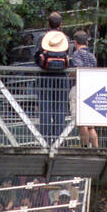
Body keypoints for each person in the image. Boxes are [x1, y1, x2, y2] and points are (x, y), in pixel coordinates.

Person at [34, 12, 70, 144]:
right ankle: (59, 139)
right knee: (60, 107)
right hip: (61, 77)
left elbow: (36, 57)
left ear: (48, 23)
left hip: (44, 76)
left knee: (45, 107)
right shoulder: (65, 37)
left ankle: (45, 139)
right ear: (61, 24)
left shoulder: (42, 37)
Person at [69, 30, 99, 148]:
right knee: (90, 125)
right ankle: (96, 148)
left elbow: (78, 69)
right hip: (90, 89)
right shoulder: (92, 56)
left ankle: (85, 148)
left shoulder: (76, 54)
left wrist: (70, 74)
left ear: (75, 42)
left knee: (81, 122)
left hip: (79, 89)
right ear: (86, 42)